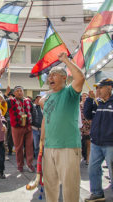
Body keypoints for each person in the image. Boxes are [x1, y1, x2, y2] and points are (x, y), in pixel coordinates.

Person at [42, 52, 84, 202]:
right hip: (49, 147)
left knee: (69, 187)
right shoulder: (48, 97)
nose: (50, 78)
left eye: (54, 75)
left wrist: (66, 60)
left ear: (64, 77)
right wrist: (42, 143)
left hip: (68, 146)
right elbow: (46, 120)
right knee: (50, 186)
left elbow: (80, 78)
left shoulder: (70, 93)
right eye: (49, 76)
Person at [83, 78, 113, 202]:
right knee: (93, 168)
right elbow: (88, 115)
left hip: (110, 143)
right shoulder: (97, 102)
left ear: (109, 88)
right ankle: (97, 193)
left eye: (101, 87)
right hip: (96, 142)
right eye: (97, 88)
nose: (98, 90)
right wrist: (89, 100)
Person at [5, 85, 35, 173]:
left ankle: (30, 164)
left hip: (28, 127)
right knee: (18, 148)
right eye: (17, 91)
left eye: (21, 91)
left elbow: (33, 112)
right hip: (17, 128)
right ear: (14, 93)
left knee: (29, 147)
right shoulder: (10, 101)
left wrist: (33, 122)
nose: (19, 92)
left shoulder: (28, 101)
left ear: (23, 92)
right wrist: (6, 94)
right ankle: (20, 165)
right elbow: (2, 102)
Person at [80, 93, 91, 166]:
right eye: (83, 96)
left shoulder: (90, 105)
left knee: (88, 144)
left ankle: (88, 159)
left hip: (88, 127)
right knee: (80, 144)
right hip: (80, 127)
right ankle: (80, 157)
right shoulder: (78, 105)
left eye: (86, 96)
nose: (84, 97)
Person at [32, 95, 43, 159]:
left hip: (42, 129)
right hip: (34, 129)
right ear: (35, 100)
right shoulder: (33, 107)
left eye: (40, 99)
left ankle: (42, 159)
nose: (39, 100)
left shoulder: (44, 108)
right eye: (38, 99)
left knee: (42, 145)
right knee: (36, 145)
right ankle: (37, 160)